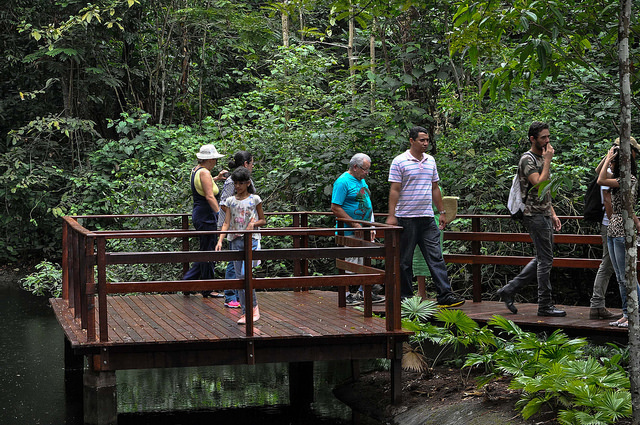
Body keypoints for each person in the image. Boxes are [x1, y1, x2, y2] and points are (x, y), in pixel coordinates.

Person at [386, 126, 465, 307]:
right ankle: (405, 298)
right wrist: (392, 215)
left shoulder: (430, 161)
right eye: (422, 140)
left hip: (427, 218)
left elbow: (435, 187)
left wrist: (442, 212)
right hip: (406, 217)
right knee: (405, 260)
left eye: (427, 140)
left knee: (436, 256)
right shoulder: (399, 161)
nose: (426, 143)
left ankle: (445, 295)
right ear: (412, 141)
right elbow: (395, 190)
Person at [496, 122, 565, 317]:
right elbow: (538, 183)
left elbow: (545, 190)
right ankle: (544, 305)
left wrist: (552, 213)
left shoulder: (540, 157)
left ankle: (509, 290)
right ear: (532, 139)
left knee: (544, 258)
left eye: (548, 137)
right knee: (545, 260)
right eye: (543, 137)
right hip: (533, 215)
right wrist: (548, 160)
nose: (547, 141)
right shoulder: (527, 159)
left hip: (543, 213)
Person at [331, 153, 385, 306]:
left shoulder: (361, 181)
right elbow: (335, 207)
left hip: (364, 229)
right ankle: (346, 294)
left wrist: (371, 225)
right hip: (349, 231)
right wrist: (354, 224)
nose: (366, 173)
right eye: (364, 169)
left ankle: (363, 292)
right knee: (349, 263)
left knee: (364, 261)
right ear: (355, 167)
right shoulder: (342, 182)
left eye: (368, 170)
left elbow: (368, 203)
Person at [215, 166, 266, 325]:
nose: (238, 186)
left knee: (245, 275)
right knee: (239, 278)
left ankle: (254, 309)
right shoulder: (230, 201)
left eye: (241, 183)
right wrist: (220, 240)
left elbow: (263, 220)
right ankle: (246, 312)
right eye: (236, 183)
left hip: (251, 239)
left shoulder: (255, 199)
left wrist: (254, 224)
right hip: (235, 240)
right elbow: (226, 223)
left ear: (248, 183)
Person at [597, 144, 640, 327]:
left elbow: (600, 180)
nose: (610, 165)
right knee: (620, 276)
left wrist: (609, 157)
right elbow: (599, 172)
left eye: (614, 162)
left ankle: (634, 312)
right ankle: (625, 313)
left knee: (627, 276)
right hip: (613, 229)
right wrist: (608, 156)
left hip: (623, 230)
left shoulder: (627, 179)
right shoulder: (618, 178)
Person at [182, 144, 228, 297]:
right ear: (210, 159)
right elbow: (209, 196)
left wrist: (216, 178)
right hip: (206, 216)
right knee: (209, 252)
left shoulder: (197, 170)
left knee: (206, 250)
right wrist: (219, 214)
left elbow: (202, 186)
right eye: (214, 159)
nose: (215, 162)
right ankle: (206, 287)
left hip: (199, 214)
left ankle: (189, 283)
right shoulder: (205, 173)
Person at [218, 151, 256, 308]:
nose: (253, 166)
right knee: (235, 261)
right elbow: (223, 202)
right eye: (252, 163)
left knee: (243, 260)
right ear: (246, 164)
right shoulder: (231, 181)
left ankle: (239, 295)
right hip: (234, 226)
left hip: (245, 227)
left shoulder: (245, 179)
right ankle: (230, 295)